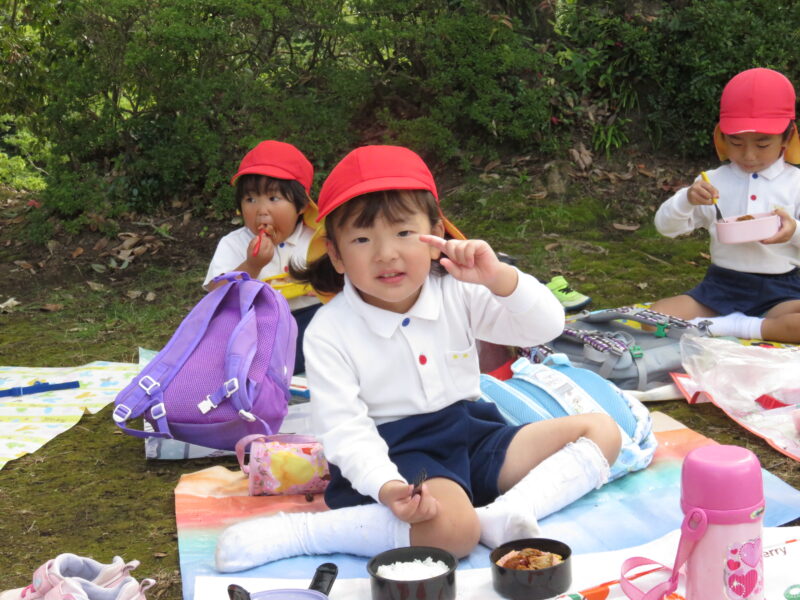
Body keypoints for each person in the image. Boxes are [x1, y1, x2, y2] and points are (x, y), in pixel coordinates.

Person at [214, 145, 621, 572]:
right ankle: (304, 533)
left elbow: (544, 326)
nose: (386, 253)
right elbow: (344, 429)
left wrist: (500, 277)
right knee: (453, 534)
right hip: (396, 450)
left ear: (436, 234)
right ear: (335, 255)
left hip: (472, 433)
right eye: (362, 239)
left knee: (601, 430)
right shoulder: (330, 329)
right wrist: (386, 485)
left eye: (404, 233)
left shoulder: (458, 289)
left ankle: (508, 512)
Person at [652, 68, 800, 343]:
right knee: (654, 318)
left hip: (782, 291)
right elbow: (665, 228)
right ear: (721, 136)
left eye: (763, 144)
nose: (749, 155)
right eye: (736, 142)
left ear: (787, 137)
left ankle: (737, 326)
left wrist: (793, 231)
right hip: (721, 287)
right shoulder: (712, 181)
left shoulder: (795, 183)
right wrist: (686, 199)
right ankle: (739, 325)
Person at [203, 140, 322, 373]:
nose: (261, 210)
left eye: (273, 198)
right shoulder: (234, 243)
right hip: (258, 327)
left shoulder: (317, 239)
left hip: (311, 323)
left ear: (301, 206)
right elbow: (216, 295)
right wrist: (252, 265)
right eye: (250, 199)